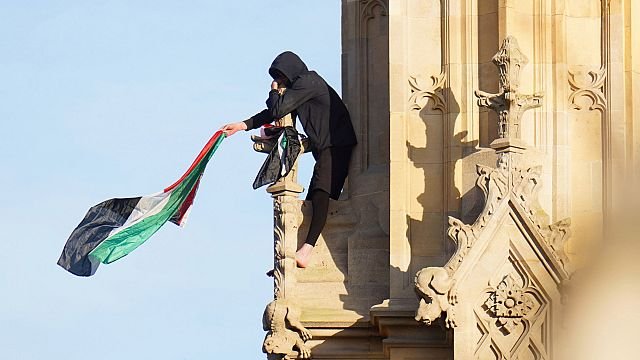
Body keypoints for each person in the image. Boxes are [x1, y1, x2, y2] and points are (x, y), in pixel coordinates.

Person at [221, 51, 357, 268]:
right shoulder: (301, 87)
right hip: (327, 148)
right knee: (315, 199)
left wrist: (273, 91)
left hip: (337, 145)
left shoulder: (308, 82)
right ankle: (297, 252)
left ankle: (306, 250)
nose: (280, 81)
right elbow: (271, 113)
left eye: (281, 77)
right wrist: (242, 125)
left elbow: (278, 109)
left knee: (321, 195)